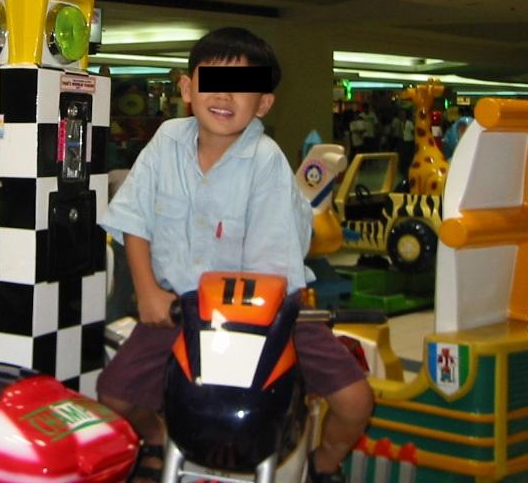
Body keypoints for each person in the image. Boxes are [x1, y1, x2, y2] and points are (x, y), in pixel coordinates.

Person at [97, 28, 373, 483]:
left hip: (271, 312)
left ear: (263, 103)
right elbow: (134, 220)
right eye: (212, 81)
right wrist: (147, 291)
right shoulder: (167, 140)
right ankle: (157, 436)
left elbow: (272, 268)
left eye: (242, 87)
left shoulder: (266, 161)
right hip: (182, 307)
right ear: (187, 88)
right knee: (115, 395)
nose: (225, 95)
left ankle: (325, 463)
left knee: (355, 401)